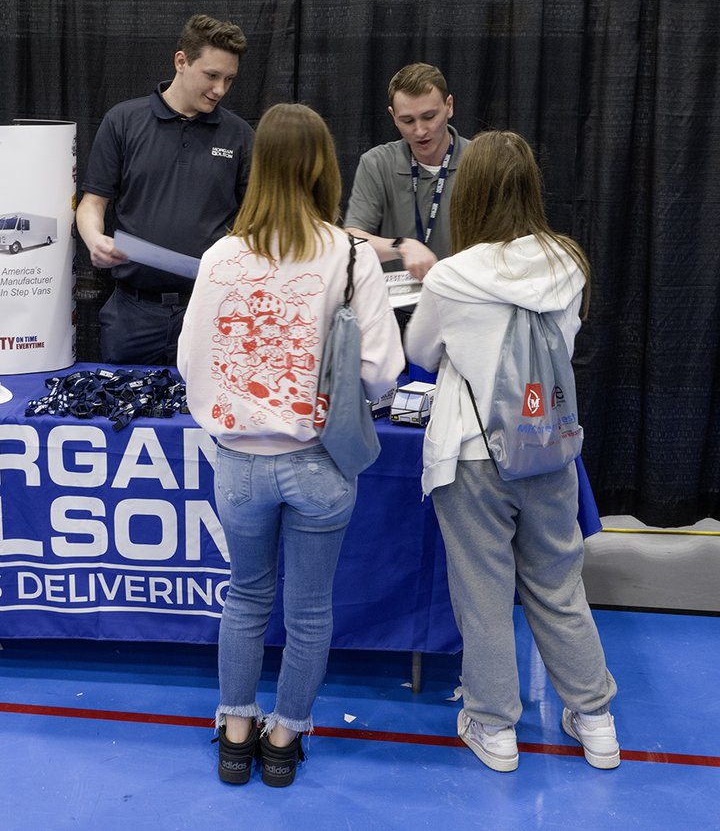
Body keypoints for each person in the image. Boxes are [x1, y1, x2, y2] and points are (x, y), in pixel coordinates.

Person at [178, 104, 403, 787]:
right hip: (321, 462)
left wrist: (231, 419)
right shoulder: (351, 253)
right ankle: (284, 740)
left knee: (245, 597)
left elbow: (191, 359)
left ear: (260, 168)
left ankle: (236, 730)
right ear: (322, 166)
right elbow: (383, 372)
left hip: (242, 461)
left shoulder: (221, 255)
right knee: (309, 608)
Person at [405, 130, 620, 773]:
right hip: (548, 448)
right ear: (531, 187)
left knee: (484, 594)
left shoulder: (451, 275)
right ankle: (597, 721)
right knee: (559, 586)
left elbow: (418, 351)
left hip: (471, 455)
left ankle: (496, 729)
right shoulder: (569, 264)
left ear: (469, 192)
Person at [77, 13, 254, 366]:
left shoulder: (239, 135)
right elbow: (92, 204)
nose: (220, 89)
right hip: (133, 312)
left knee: (204, 419)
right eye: (212, 75)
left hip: (209, 310)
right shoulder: (124, 121)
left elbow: (256, 220)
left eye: (229, 79)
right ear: (181, 61)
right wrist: (94, 240)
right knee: (121, 417)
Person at [344, 62, 472, 282]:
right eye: (407, 121)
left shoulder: (479, 161)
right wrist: (400, 246)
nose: (420, 130)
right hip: (399, 308)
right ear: (393, 116)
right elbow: (351, 240)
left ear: (449, 106)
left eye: (429, 117)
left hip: (464, 303)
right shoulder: (377, 163)